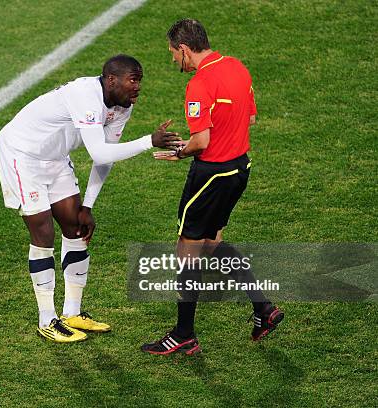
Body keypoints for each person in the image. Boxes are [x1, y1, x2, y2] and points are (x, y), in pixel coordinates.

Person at [0, 55, 179, 343]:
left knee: (75, 228)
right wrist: (148, 142)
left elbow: (105, 158)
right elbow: (99, 153)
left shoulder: (122, 106)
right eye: (133, 80)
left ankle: (72, 312)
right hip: (22, 154)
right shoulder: (85, 95)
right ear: (111, 80)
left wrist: (88, 205)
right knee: (43, 231)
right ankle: (47, 319)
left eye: (140, 80)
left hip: (55, 158)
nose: (138, 87)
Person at [142, 19, 284, 356]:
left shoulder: (199, 84)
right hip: (239, 170)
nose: (174, 61)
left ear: (186, 50)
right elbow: (248, 119)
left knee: (187, 249)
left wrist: (182, 151)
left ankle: (183, 334)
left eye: (174, 54)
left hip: (210, 176)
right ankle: (264, 309)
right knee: (212, 242)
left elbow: (201, 140)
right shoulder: (237, 67)